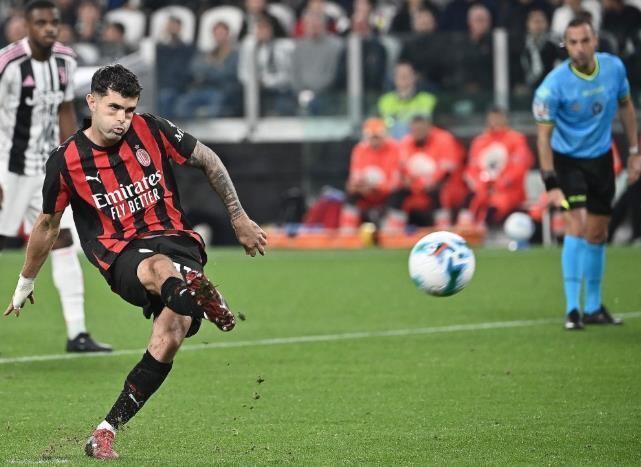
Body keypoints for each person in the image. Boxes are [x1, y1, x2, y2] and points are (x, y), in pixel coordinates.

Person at [4, 64, 267, 459]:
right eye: (114, 108)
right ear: (92, 103)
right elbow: (47, 225)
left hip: (175, 238)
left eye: (129, 110)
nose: (122, 119)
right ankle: (197, 294)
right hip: (120, 252)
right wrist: (25, 282)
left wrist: (238, 216)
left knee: (171, 335)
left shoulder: (152, 129)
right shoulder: (66, 160)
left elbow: (208, 159)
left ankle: (105, 431)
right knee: (158, 267)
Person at [0, 0, 110, 352]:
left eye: (54, 22)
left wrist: (71, 161)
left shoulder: (66, 60)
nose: (49, 28)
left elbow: (65, 110)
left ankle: (78, 333)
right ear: (26, 26)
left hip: (46, 171)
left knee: (62, 242)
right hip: (8, 170)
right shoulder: (8, 63)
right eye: (41, 22)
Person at [532, 17, 640, 330]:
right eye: (573, 43)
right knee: (576, 224)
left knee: (597, 233)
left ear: (595, 42)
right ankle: (572, 309)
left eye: (584, 41)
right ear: (565, 46)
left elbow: (626, 107)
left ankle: (593, 307)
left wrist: (635, 152)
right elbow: (543, 138)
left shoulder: (614, 68)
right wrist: (551, 182)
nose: (579, 48)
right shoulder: (552, 87)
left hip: (601, 159)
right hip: (567, 162)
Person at [383, 114, 467, 231]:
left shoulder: (444, 139)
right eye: (414, 130)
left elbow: (448, 169)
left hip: (441, 184)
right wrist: (406, 181)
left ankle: (443, 229)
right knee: (397, 194)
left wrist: (430, 182)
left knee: (438, 192)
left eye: (420, 129)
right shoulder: (406, 143)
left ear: (429, 128)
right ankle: (394, 232)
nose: (417, 133)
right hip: (415, 187)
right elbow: (400, 168)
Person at [462, 107, 534, 226]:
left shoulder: (516, 139)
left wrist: (499, 183)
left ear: (505, 119)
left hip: (508, 191)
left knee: (496, 205)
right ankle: (467, 229)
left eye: (498, 118)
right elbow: (472, 169)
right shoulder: (480, 141)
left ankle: (485, 227)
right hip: (483, 189)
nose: (495, 122)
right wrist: (481, 184)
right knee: (470, 202)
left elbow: (520, 167)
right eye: (492, 119)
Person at [341, 118, 401, 229]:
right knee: (350, 195)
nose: (375, 140)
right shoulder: (360, 149)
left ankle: (392, 232)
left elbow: (395, 181)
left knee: (398, 195)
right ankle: (348, 231)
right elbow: (355, 176)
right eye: (372, 137)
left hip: (386, 194)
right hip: (366, 192)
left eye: (377, 136)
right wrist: (357, 187)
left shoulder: (395, 148)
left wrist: (376, 188)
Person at [377, 62, 437, 139]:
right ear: (394, 78)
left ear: (415, 76)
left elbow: (436, 128)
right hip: (393, 143)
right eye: (399, 74)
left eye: (407, 74)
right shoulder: (385, 101)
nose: (403, 77)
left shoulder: (428, 100)